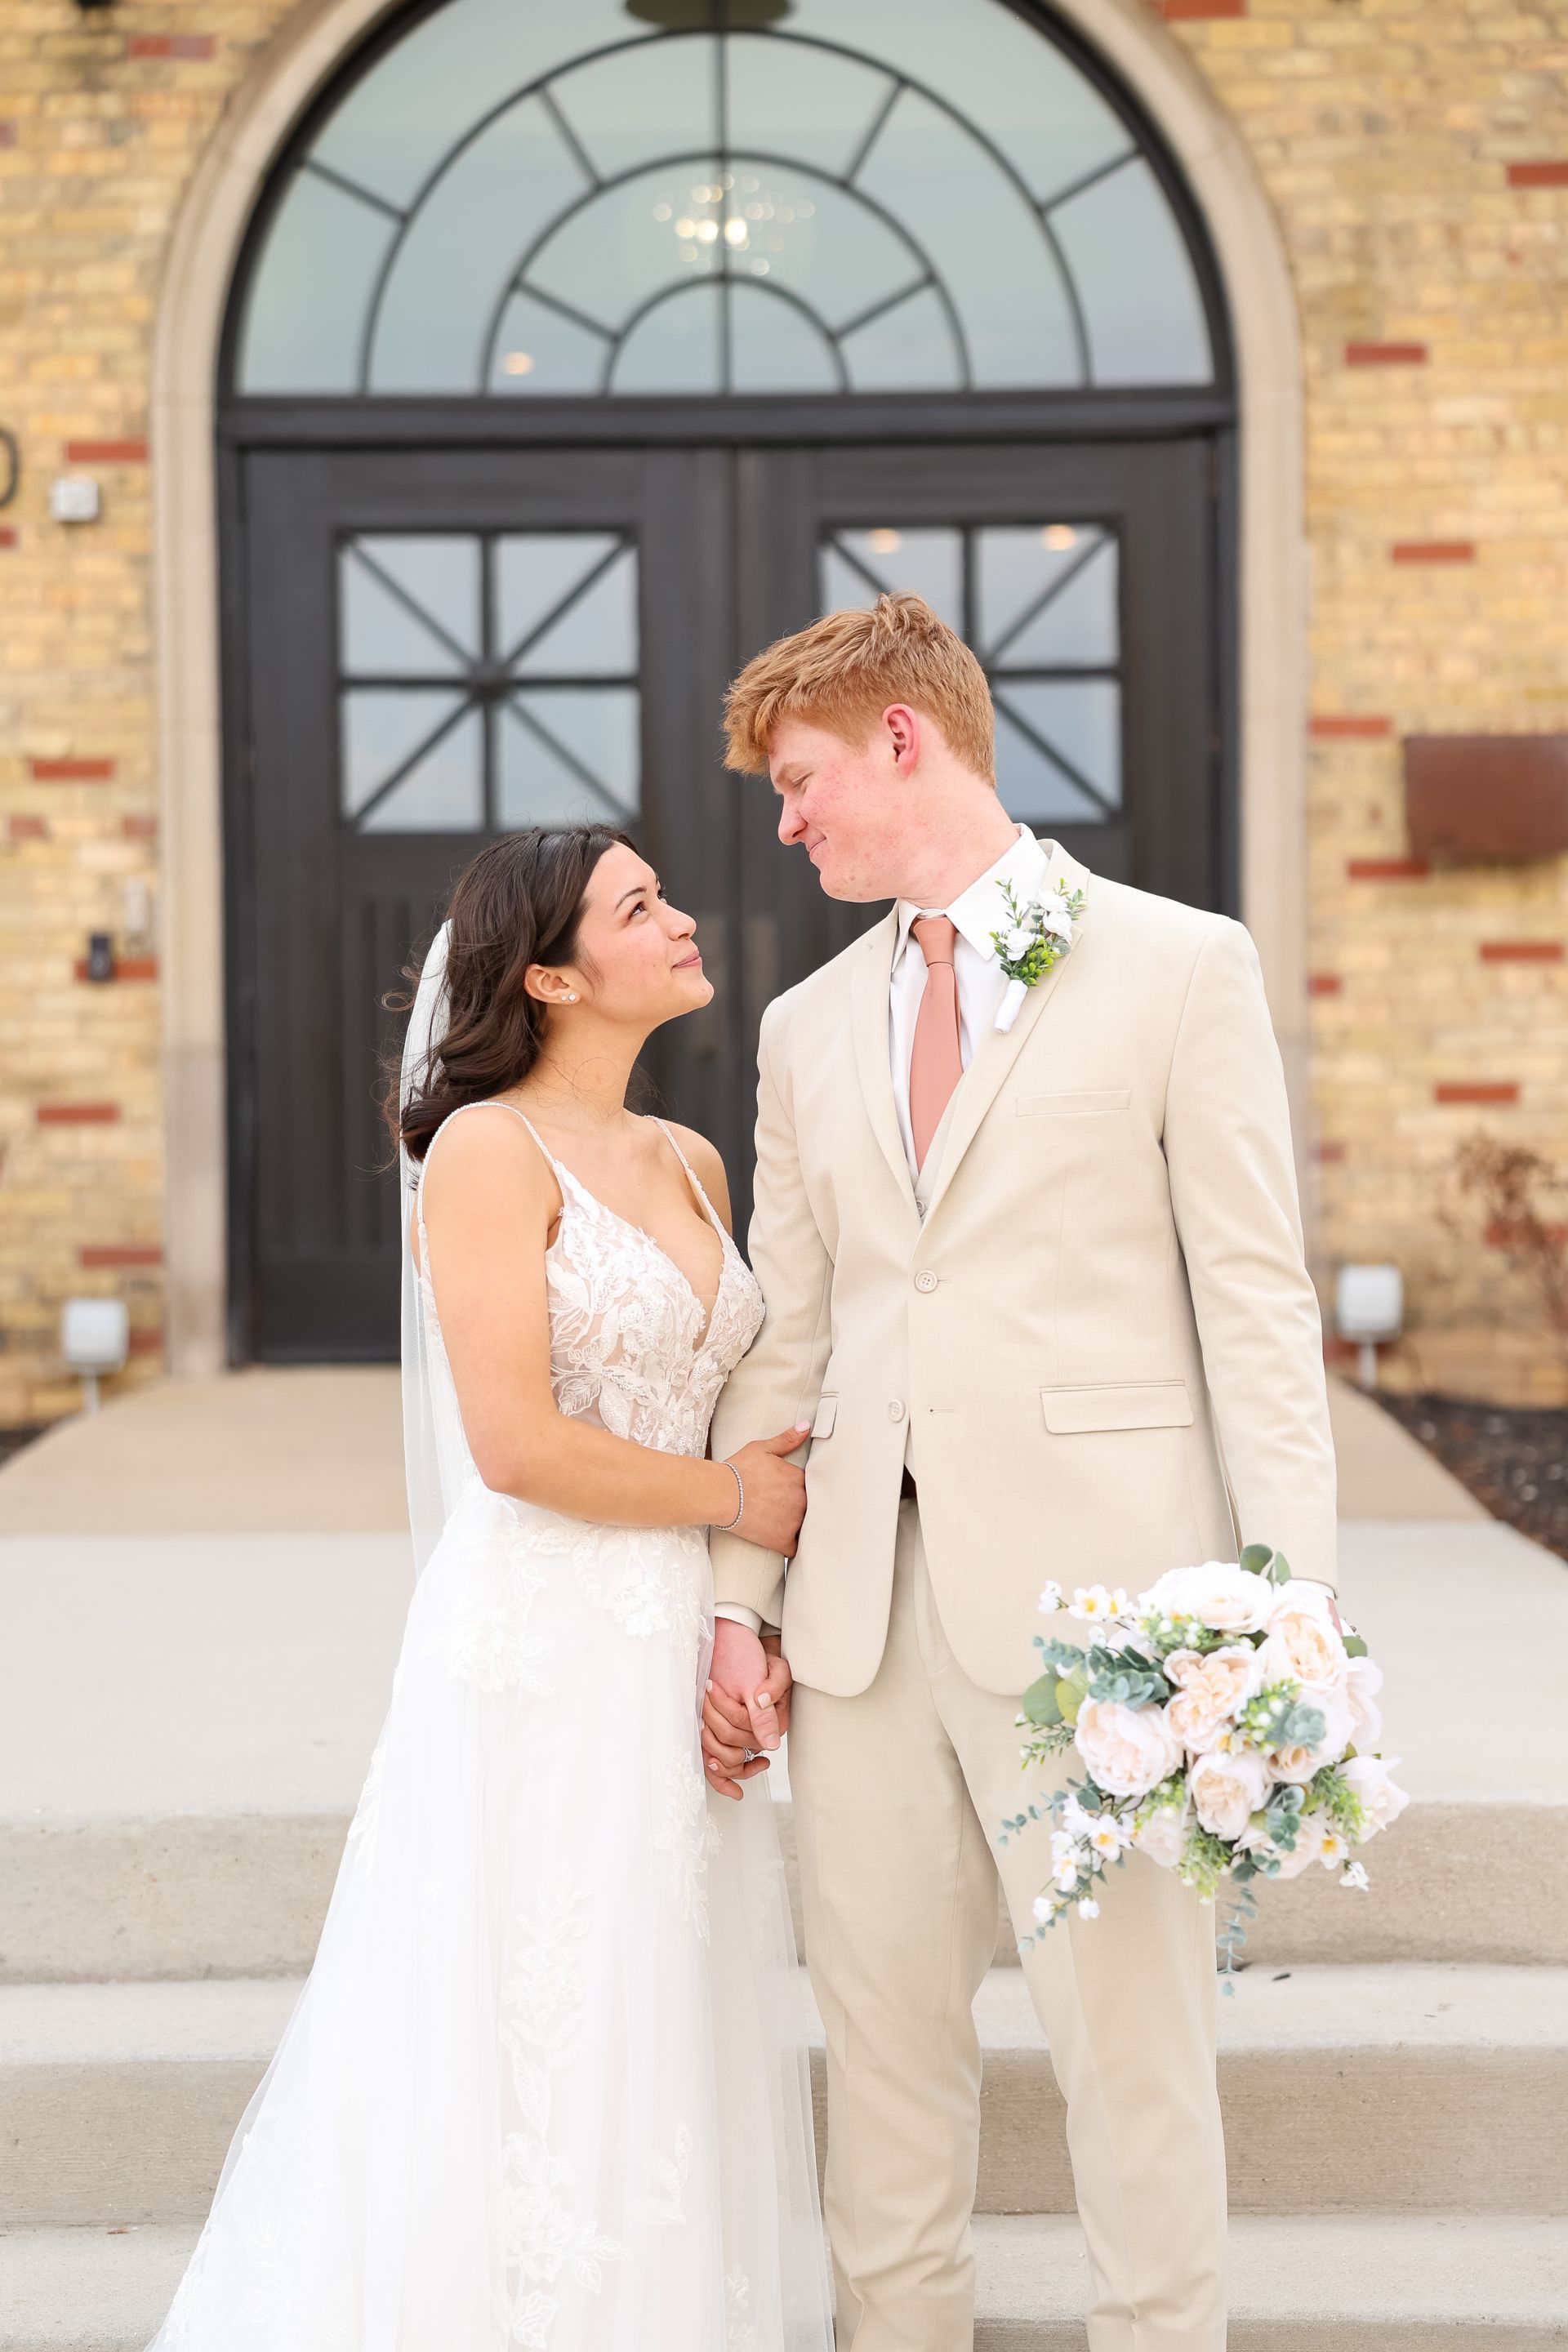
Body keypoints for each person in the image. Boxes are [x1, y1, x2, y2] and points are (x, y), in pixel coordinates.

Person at [700, 594, 1340, 2352]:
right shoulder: (803, 1026)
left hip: (1113, 1632)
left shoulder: (1178, 965)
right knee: (886, 2099)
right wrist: (740, 1604)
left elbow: (1257, 1303)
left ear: (906, 739)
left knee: (1135, 2077)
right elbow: (791, 1337)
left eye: (803, 778)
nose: (786, 820)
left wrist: (1289, 1612)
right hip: (859, 1632)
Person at [148, 826, 832, 2352]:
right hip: (546, 1641)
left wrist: (746, 1611)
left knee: (659, 2034)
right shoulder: (483, 1154)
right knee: (542, 2024)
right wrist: (740, 1500)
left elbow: (736, 1409)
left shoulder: (690, 1159)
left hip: (675, 1633)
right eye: (638, 906)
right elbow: (516, 1445)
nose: (682, 917)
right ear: (549, 975)